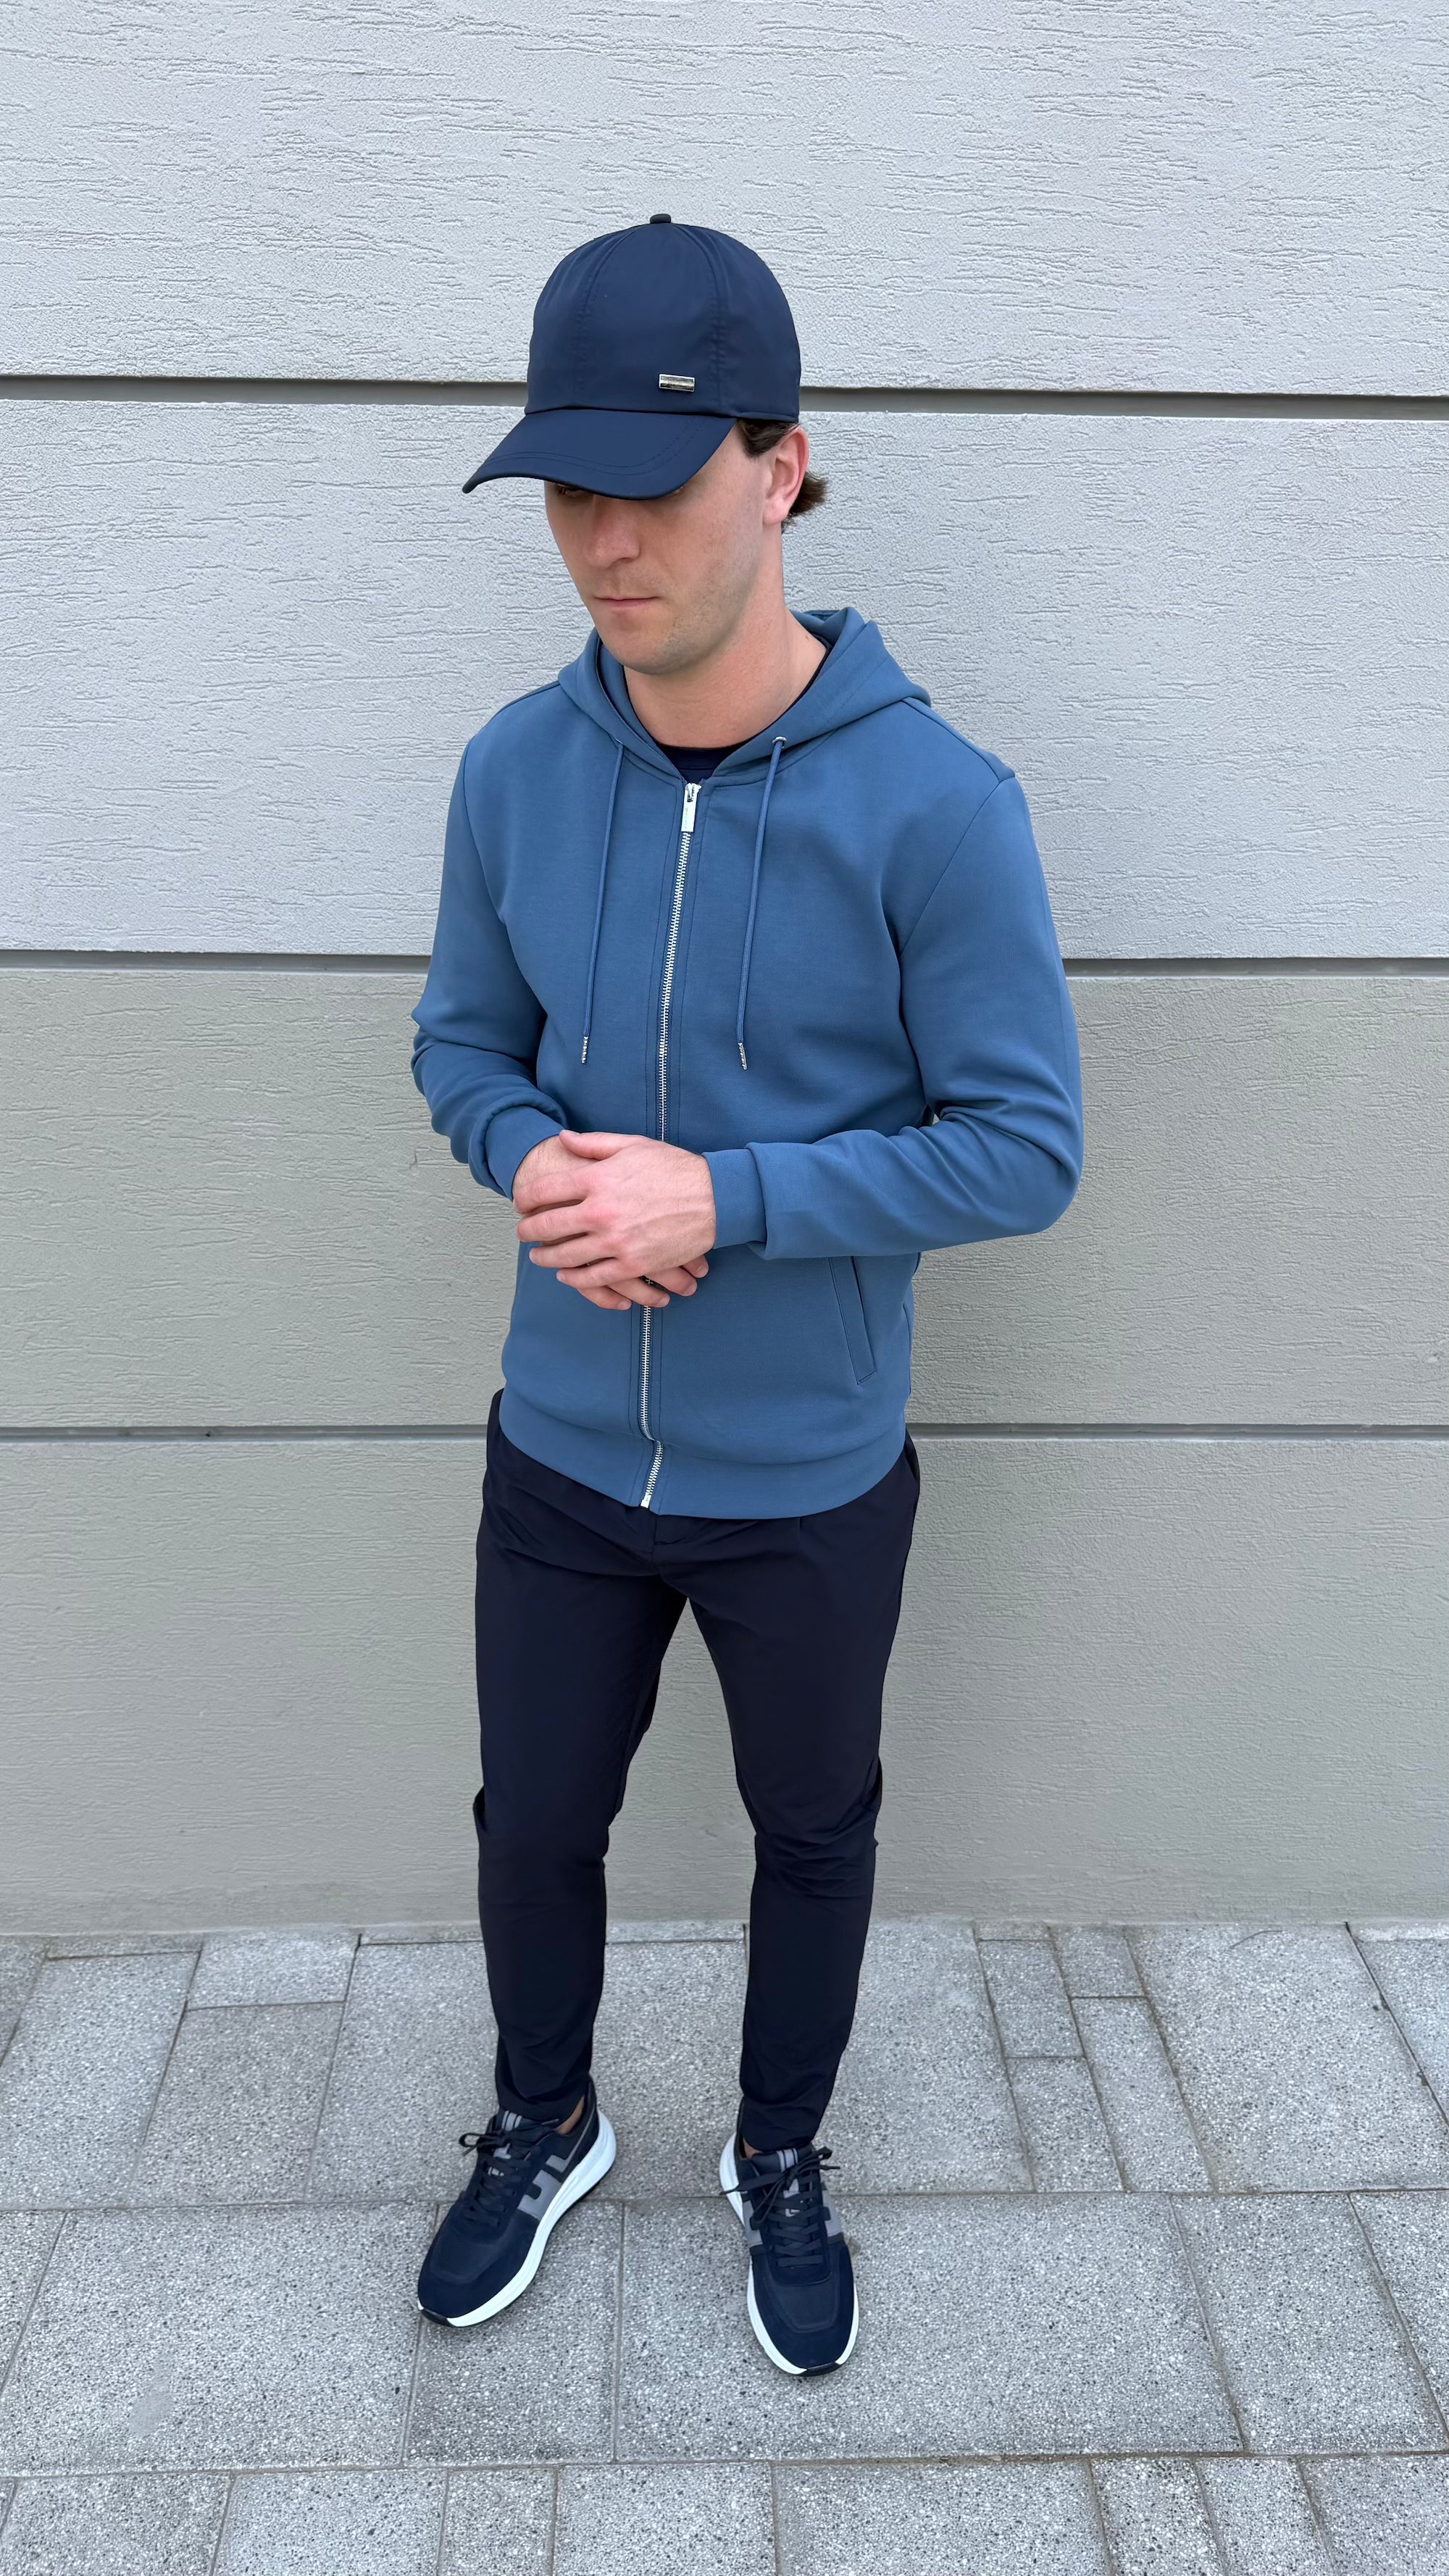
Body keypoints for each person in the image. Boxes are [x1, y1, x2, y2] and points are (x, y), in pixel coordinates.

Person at [408, 215, 1084, 2375]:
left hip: (808, 1472)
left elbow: (1026, 1144)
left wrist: (737, 1197)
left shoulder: (937, 807)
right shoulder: (516, 769)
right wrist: (530, 1154)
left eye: (654, 484)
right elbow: (461, 1044)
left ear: (782, 468)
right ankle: (546, 2117)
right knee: (534, 1823)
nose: (604, 541)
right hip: (560, 1453)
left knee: (814, 1829)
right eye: (567, 491)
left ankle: (777, 2149)